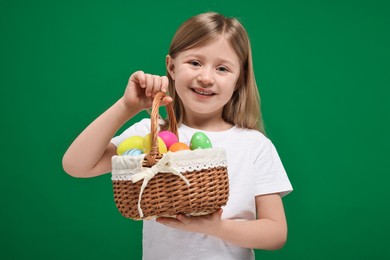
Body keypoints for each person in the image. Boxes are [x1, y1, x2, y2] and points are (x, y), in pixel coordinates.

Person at [63, 12, 293, 260]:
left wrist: (213, 227)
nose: (205, 77)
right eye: (195, 63)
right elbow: (76, 165)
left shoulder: (254, 145)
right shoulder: (152, 134)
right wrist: (126, 107)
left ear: (238, 81)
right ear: (171, 67)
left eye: (222, 68)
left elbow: (275, 233)